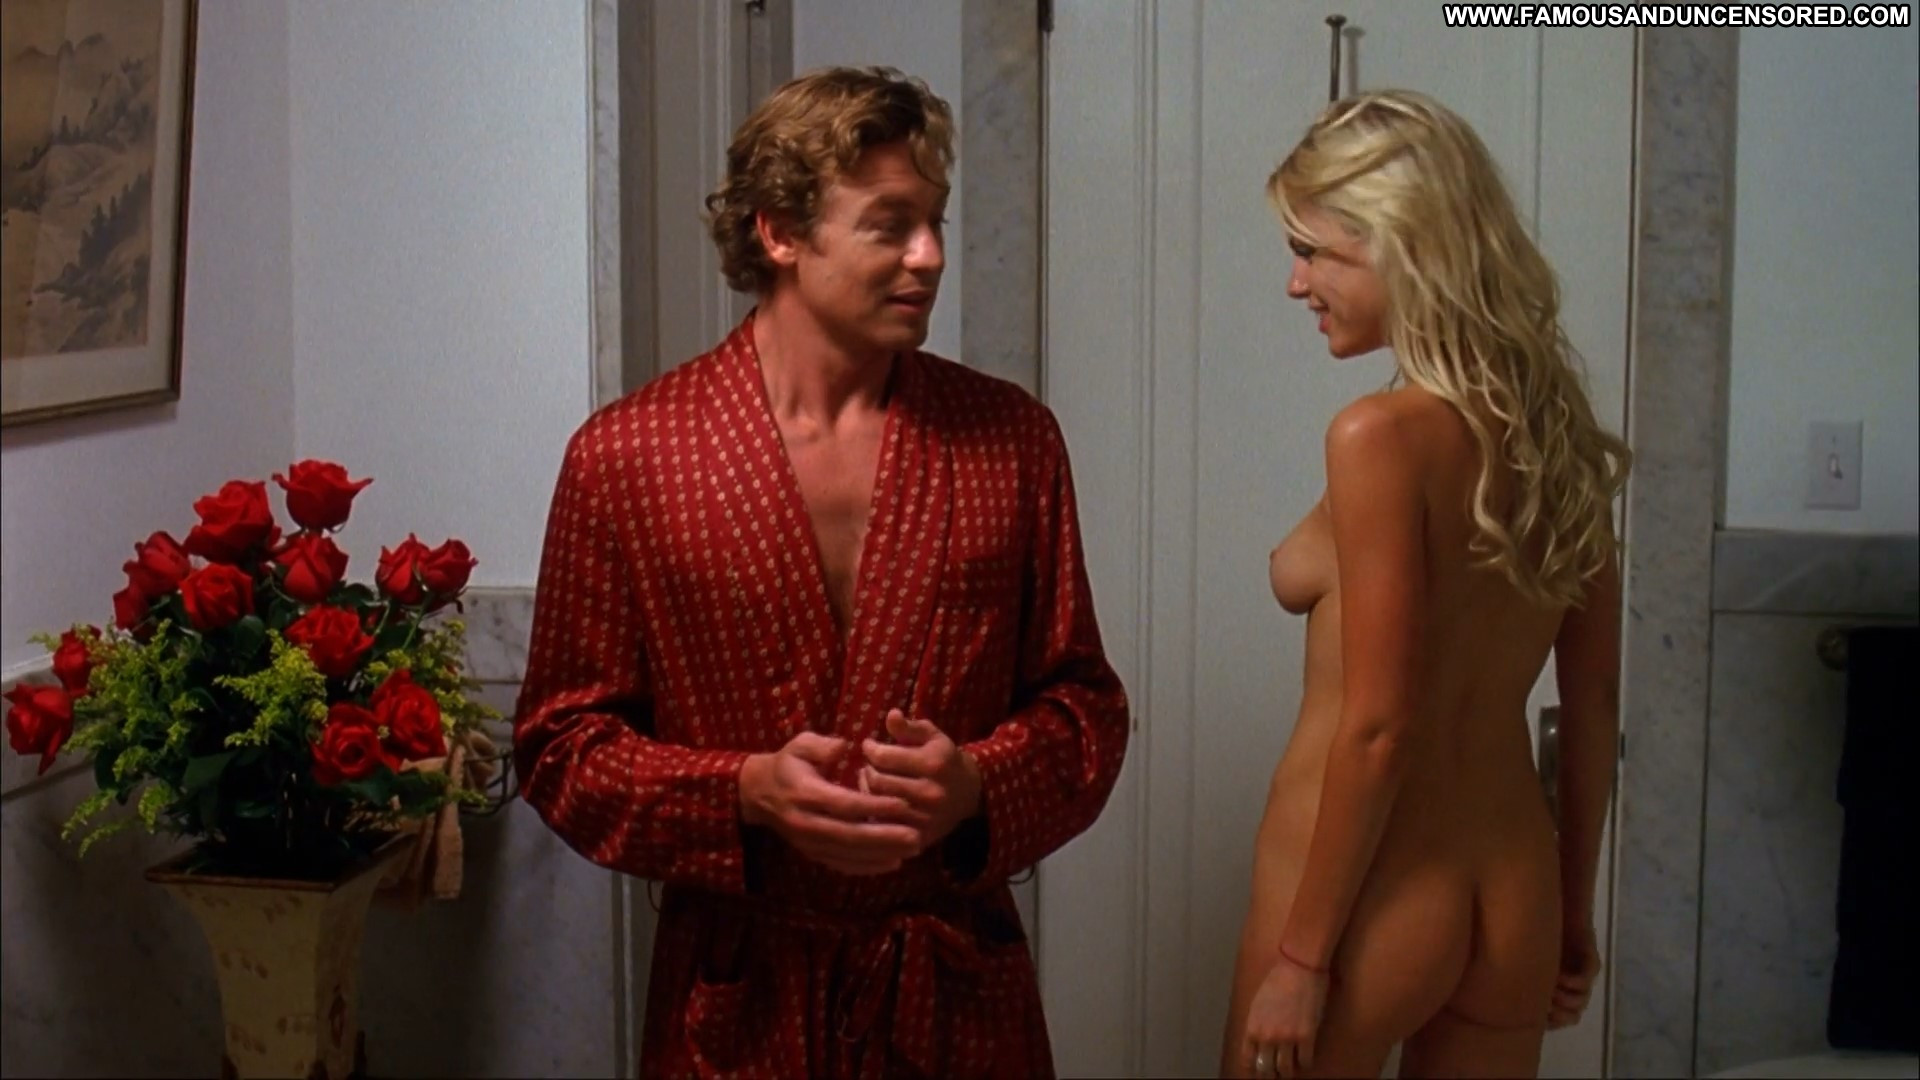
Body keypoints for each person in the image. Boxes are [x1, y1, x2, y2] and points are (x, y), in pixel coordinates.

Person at [514, 66, 1129, 1079]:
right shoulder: (630, 457)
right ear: (780, 233)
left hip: (952, 993)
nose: (930, 256)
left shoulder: (1009, 440)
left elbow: (1084, 709)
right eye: (891, 226)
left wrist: (976, 784)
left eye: (934, 221)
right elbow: (560, 748)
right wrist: (743, 792)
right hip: (738, 1002)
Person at [1221, 89, 1630, 1079]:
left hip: (1366, 899)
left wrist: (1302, 961)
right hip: (1515, 894)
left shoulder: (1379, 438)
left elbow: (1379, 727)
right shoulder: (1561, 444)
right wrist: (1572, 914)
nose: (1295, 282)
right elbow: (1593, 709)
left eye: (1313, 251)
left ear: (1401, 245)